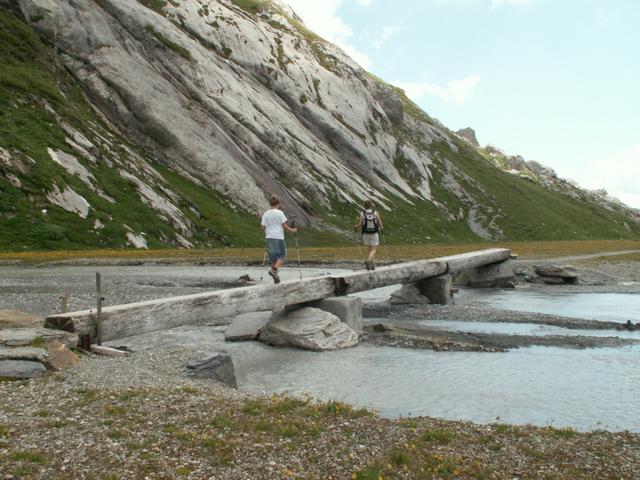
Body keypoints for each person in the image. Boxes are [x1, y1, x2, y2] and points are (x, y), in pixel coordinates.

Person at [260, 194, 297, 284]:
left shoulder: (266, 214)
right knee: (282, 254)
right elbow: (284, 226)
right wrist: (292, 230)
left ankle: (275, 277)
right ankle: (274, 270)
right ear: (278, 203)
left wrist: (266, 232)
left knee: (273, 257)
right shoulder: (280, 213)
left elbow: (262, 226)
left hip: (269, 237)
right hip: (278, 237)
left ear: (270, 203)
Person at [354, 199, 383, 270]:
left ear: (364, 206)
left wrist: (355, 226)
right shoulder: (375, 213)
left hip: (365, 233)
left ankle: (372, 266)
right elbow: (379, 222)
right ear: (371, 205)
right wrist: (381, 228)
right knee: (373, 250)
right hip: (374, 233)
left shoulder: (362, 213)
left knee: (370, 249)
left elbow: (360, 224)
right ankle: (368, 261)